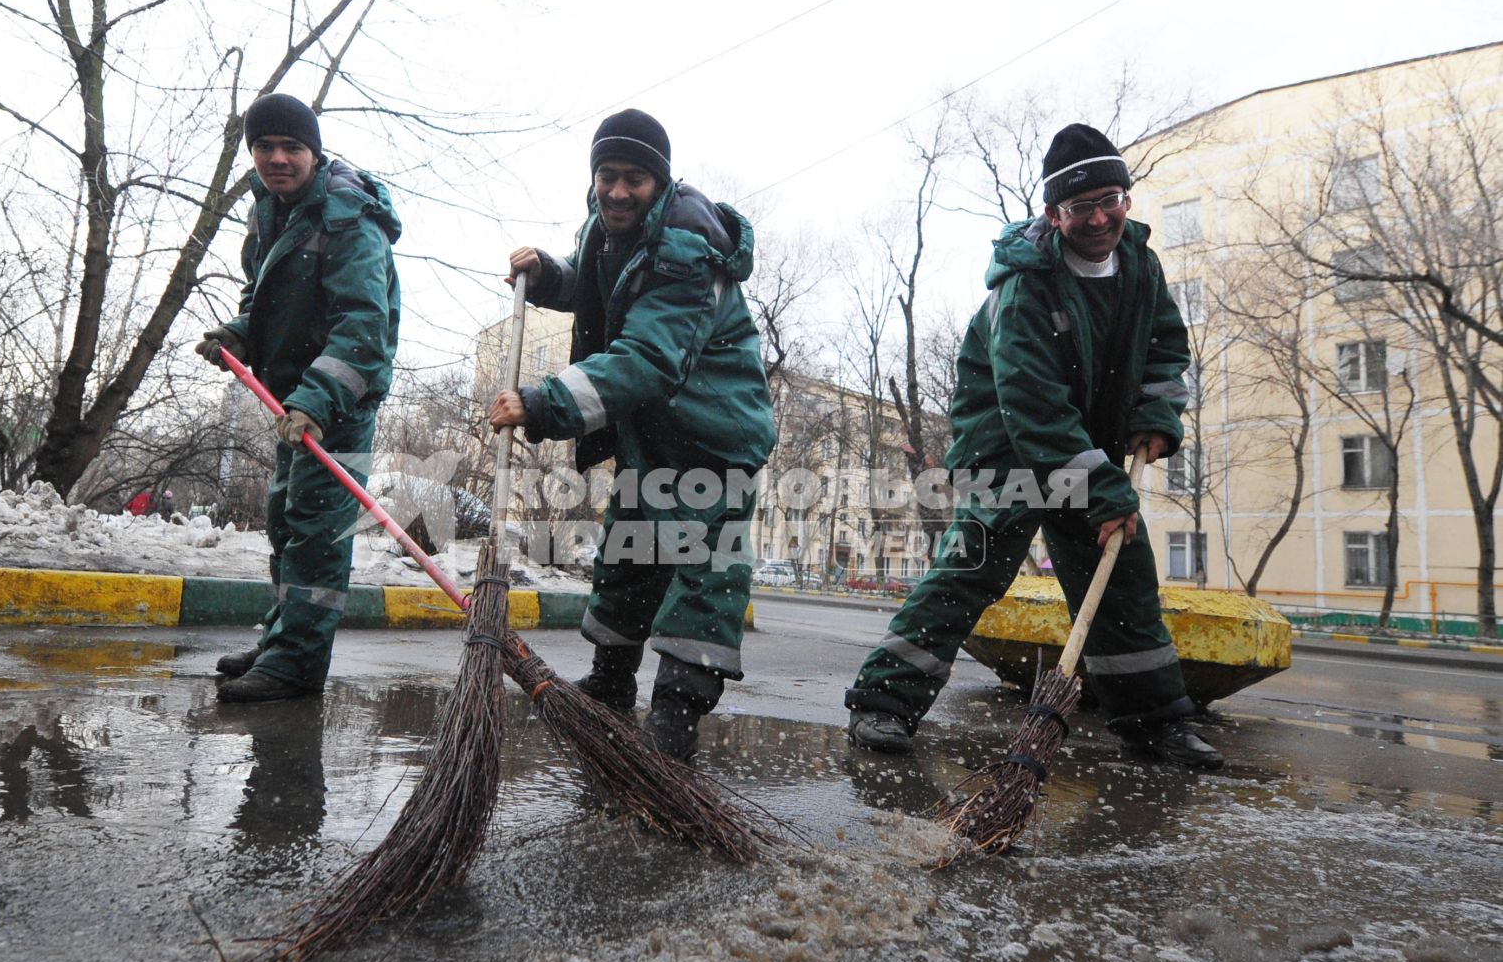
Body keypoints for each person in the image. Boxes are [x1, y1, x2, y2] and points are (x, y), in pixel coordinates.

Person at [843, 123, 1223, 770]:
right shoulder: (1025, 287)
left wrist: (1158, 414)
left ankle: (1156, 724)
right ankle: (884, 702)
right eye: (1081, 207)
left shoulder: (1140, 263)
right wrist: (1102, 486)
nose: (1100, 217)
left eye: (1111, 199)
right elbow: (1034, 406)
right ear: (1053, 213)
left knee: (1122, 572)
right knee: (974, 565)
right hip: (1007, 447)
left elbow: (1165, 345)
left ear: (1127, 199)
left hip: (1086, 443)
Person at [487, 109, 776, 761]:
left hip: (711, 433)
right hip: (653, 433)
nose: (617, 191)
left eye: (634, 179)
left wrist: (544, 404)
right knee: (631, 553)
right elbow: (599, 290)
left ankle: (674, 716)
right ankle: (611, 683)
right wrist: (553, 276)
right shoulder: (606, 228)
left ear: (661, 182)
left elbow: (647, 359)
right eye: (607, 176)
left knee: (704, 570)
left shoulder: (685, 250)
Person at [195, 92, 401, 703]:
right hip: (291, 403)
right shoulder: (269, 213)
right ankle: (283, 637)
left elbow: (364, 326)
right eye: (264, 147)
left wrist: (318, 397)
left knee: (315, 534)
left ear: (314, 151)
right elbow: (263, 298)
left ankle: (298, 664)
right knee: (287, 526)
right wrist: (237, 331)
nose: (277, 158)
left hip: (336, 403)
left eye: (291, 147)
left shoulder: (348, 217)